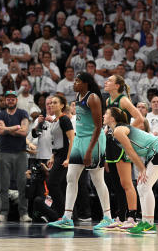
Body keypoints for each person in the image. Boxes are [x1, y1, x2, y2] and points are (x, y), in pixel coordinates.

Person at [48, 72, 113, 230]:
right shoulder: (78, 96)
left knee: (97, 180)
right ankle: (67, 218)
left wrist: (89, 151)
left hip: (93, 141)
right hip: (79, 140)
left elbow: (98, 127)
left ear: (85, 83)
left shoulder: (93, 98)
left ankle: (108, 217)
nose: (74, 83)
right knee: (71, 177)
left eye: (77, 81)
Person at [103, 107, 158, 234]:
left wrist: (142, 168)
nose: (104, 115)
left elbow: (131, 152)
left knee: (144, 186)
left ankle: (149, 224)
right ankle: (144, 222)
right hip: (153, 153)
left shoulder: (118, 130)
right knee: (141, 186)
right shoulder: (113, 131)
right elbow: (137, 150)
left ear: (112, 118)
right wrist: (141, 169)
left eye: (106, 114)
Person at [103, 75, 145, 230]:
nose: (106, 82)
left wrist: (125, 131)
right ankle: (120, 217)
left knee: (126, 182)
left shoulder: (123, 100)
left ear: (117, 86)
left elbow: (140, 118)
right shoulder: (108, 101)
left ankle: (132, 216)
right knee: (116, 183)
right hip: (111, 142)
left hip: (121, 142)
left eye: (109, 81)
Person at [0, 90, 31, 222]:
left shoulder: (23, 113)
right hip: (5, 152)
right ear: (5, 101)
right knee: (3, 185)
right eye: (8, 98)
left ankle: (24, 213)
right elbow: (0, 130)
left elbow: (24, 132)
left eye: (13, 98)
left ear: (16, 100)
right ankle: (3, 212)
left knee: (22, 184)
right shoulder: (1, 114)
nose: (10, 100)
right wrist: (16, 127)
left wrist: (8, 129)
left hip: (20, 152)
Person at [43, 95, 74, 219]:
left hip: (64, 156)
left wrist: (68, 158)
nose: (51, 105)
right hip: (58, 155)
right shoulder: (55, 121)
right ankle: (64, 215)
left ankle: (62, 214)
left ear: (62, 105)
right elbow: (56, 141)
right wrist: (52, 156)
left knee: (52, 183)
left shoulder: (64, 119)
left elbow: (72, 139)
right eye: (50, 103)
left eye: (55, 103)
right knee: (59, 185)